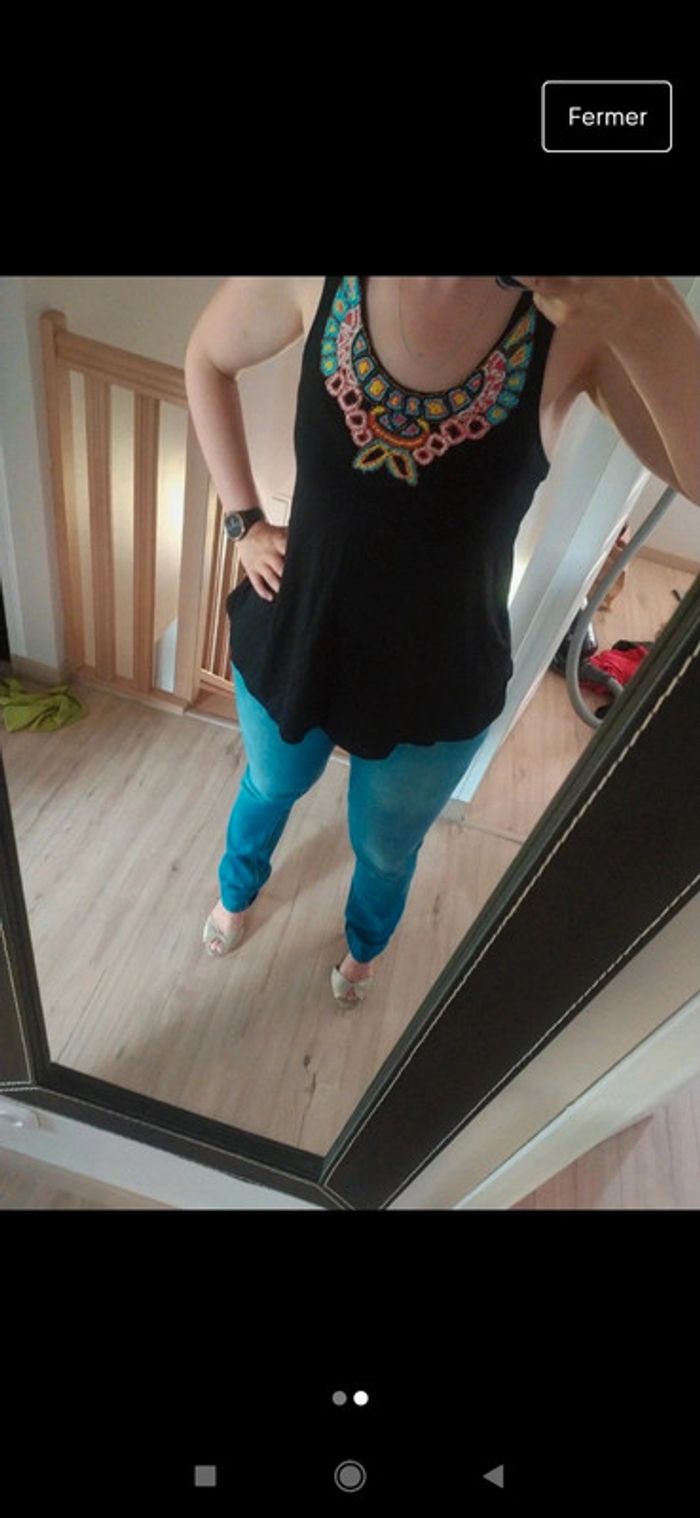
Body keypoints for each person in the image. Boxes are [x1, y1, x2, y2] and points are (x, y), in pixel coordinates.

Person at [184, 276, 700, 1006]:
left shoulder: (582, 317)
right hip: (297, 631)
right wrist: (243, 523)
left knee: (384, 849)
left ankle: (364, 947)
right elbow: (208, 358)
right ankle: (237, 891)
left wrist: (641, 301)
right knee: (269, 785)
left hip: (439, 675)